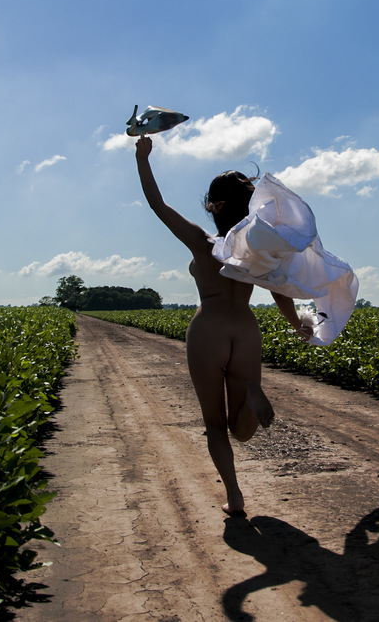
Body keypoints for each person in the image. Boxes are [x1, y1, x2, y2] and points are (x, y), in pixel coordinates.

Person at [135, 134, 312, 516]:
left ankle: (234, 497)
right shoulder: (256, 249)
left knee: (214, 424)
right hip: (245, 329)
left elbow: (157, 204)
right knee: (242, 429)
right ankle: (251, 396)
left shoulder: (203, 242)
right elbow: (280, 291)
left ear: (212, 208)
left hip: (209, 329)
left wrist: (143, 158)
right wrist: (297, 323)